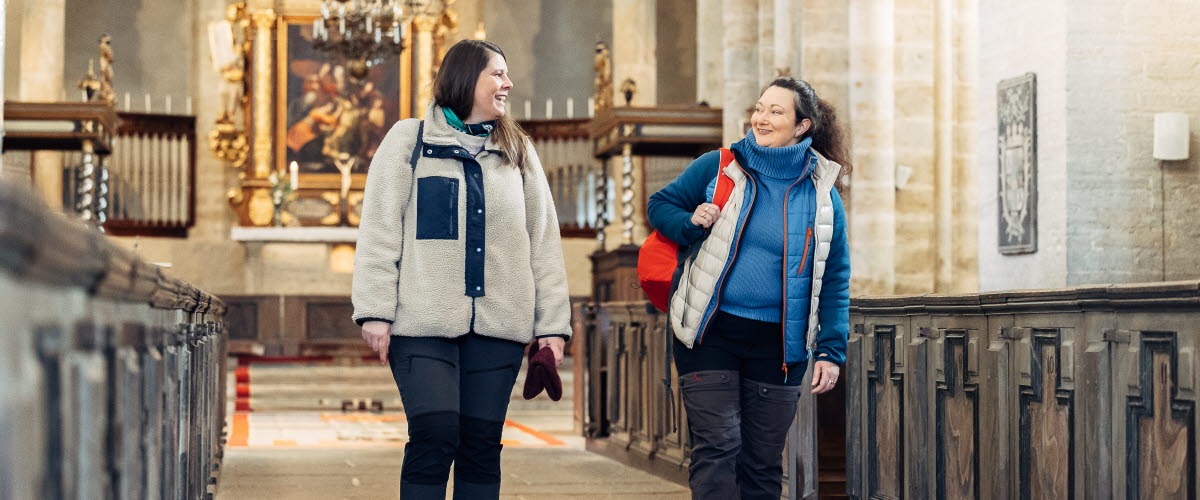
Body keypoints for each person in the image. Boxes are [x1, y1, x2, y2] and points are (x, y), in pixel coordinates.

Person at [351, 39, 571, 500]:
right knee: (434, 436)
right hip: (422, 321)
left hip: (500, 324)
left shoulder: (519, 150)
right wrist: (374, 308)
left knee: (480, 447)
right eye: (497, 73)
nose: (507, 83)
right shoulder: (408, 140)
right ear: (465, 78)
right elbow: (380, 228)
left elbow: (544, 245)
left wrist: (552, 327)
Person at [646, 76, 852, 500]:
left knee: (761, 462)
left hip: (779, 346)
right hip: (709, 332)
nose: (761, 118)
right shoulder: (720, 165)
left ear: (802, 126)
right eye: (759, 108)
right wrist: (689, 222)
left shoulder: (824, 195)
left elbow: (834, 277)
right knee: (718, 447)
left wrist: (831, 351)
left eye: (776, 111)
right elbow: (659, 204)